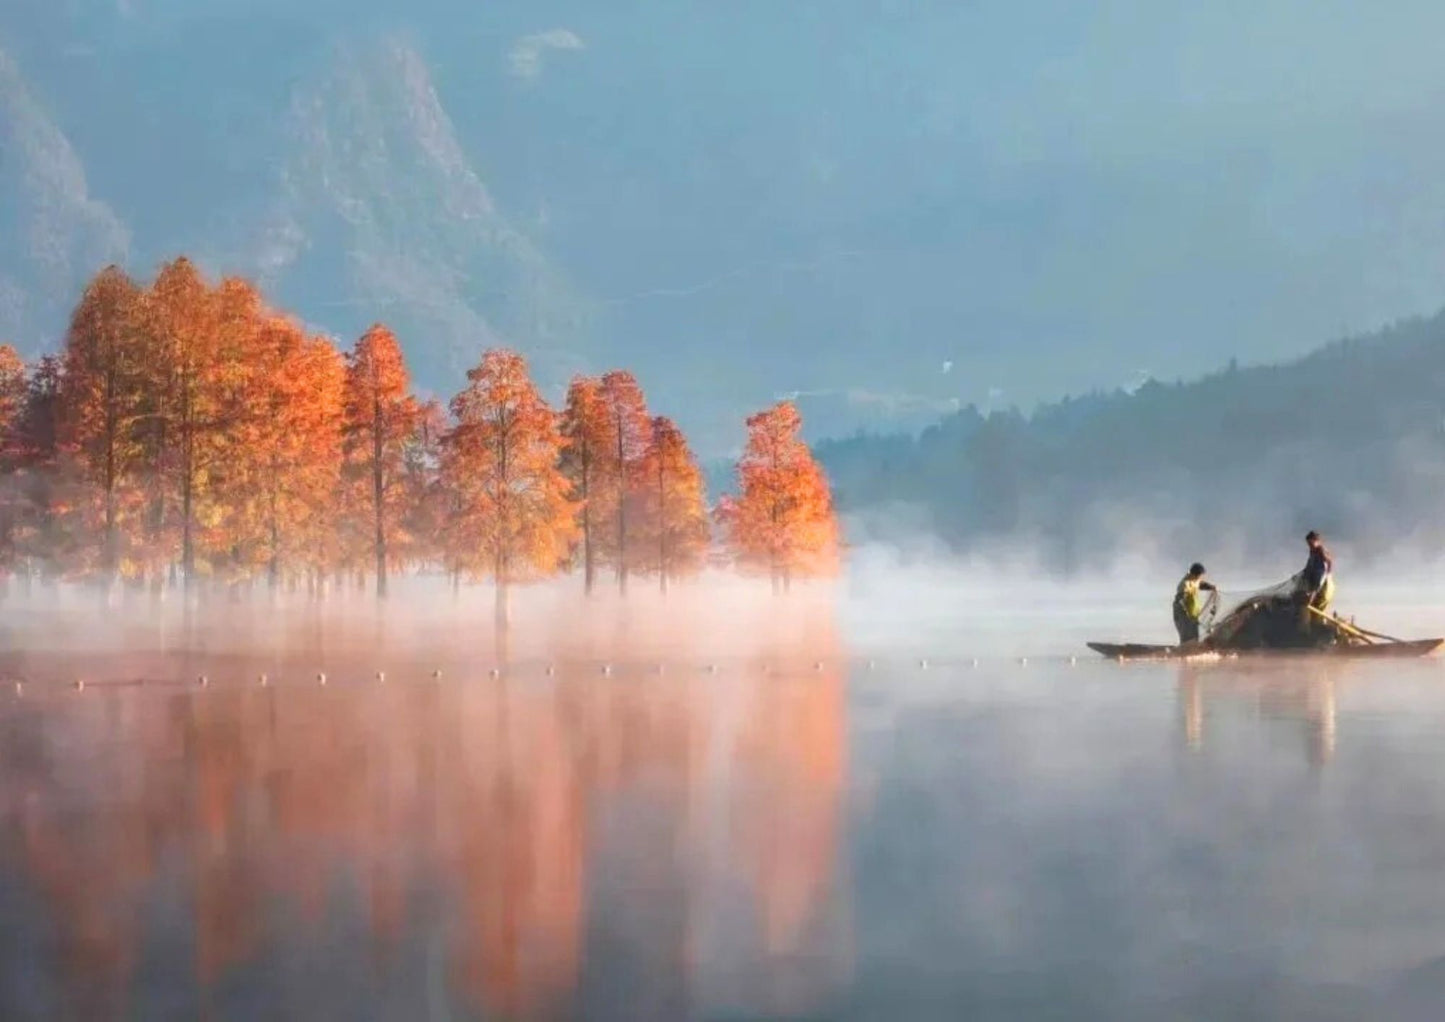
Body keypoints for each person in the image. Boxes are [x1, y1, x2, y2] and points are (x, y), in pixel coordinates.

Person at [1173, 563, 1218, 645]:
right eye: (1200, 576)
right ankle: (1185, 651)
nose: (1201, 578)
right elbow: (1180, 601)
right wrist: (1186, 614)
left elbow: (1200, 584)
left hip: (1193, 616)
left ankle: (1191, 649)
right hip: (1183, 616)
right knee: (1187, 638)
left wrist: (1211, 587)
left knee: (1194, 637)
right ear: (1194, 574)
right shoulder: (1185, 584)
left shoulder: (1194, 580)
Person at [1299, 530, 1335, 619]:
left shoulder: (1321, 551)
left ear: (1317, 541)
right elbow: (1310, 566)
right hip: (1316, 579)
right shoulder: (1312, 551)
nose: (1309, 546)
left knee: (1316, 604)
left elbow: (1328, 563)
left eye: (1311, 544)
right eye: (1308, 544)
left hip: (1322, 582)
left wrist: (1328, 574)